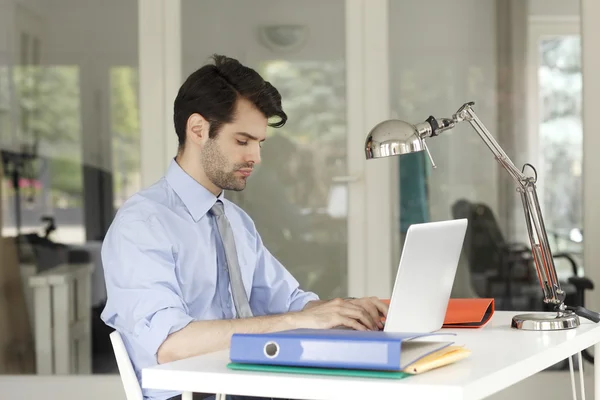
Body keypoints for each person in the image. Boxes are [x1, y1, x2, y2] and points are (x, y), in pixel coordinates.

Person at [100, 54, 389, 400]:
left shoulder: (234, 220)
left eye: (259, 143)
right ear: (198, 130)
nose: (256, 157)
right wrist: (295, 322)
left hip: (249, 387)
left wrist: (349, 311)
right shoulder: (142, 224)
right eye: (242, 141)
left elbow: (291, 303)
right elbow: (170, 345)